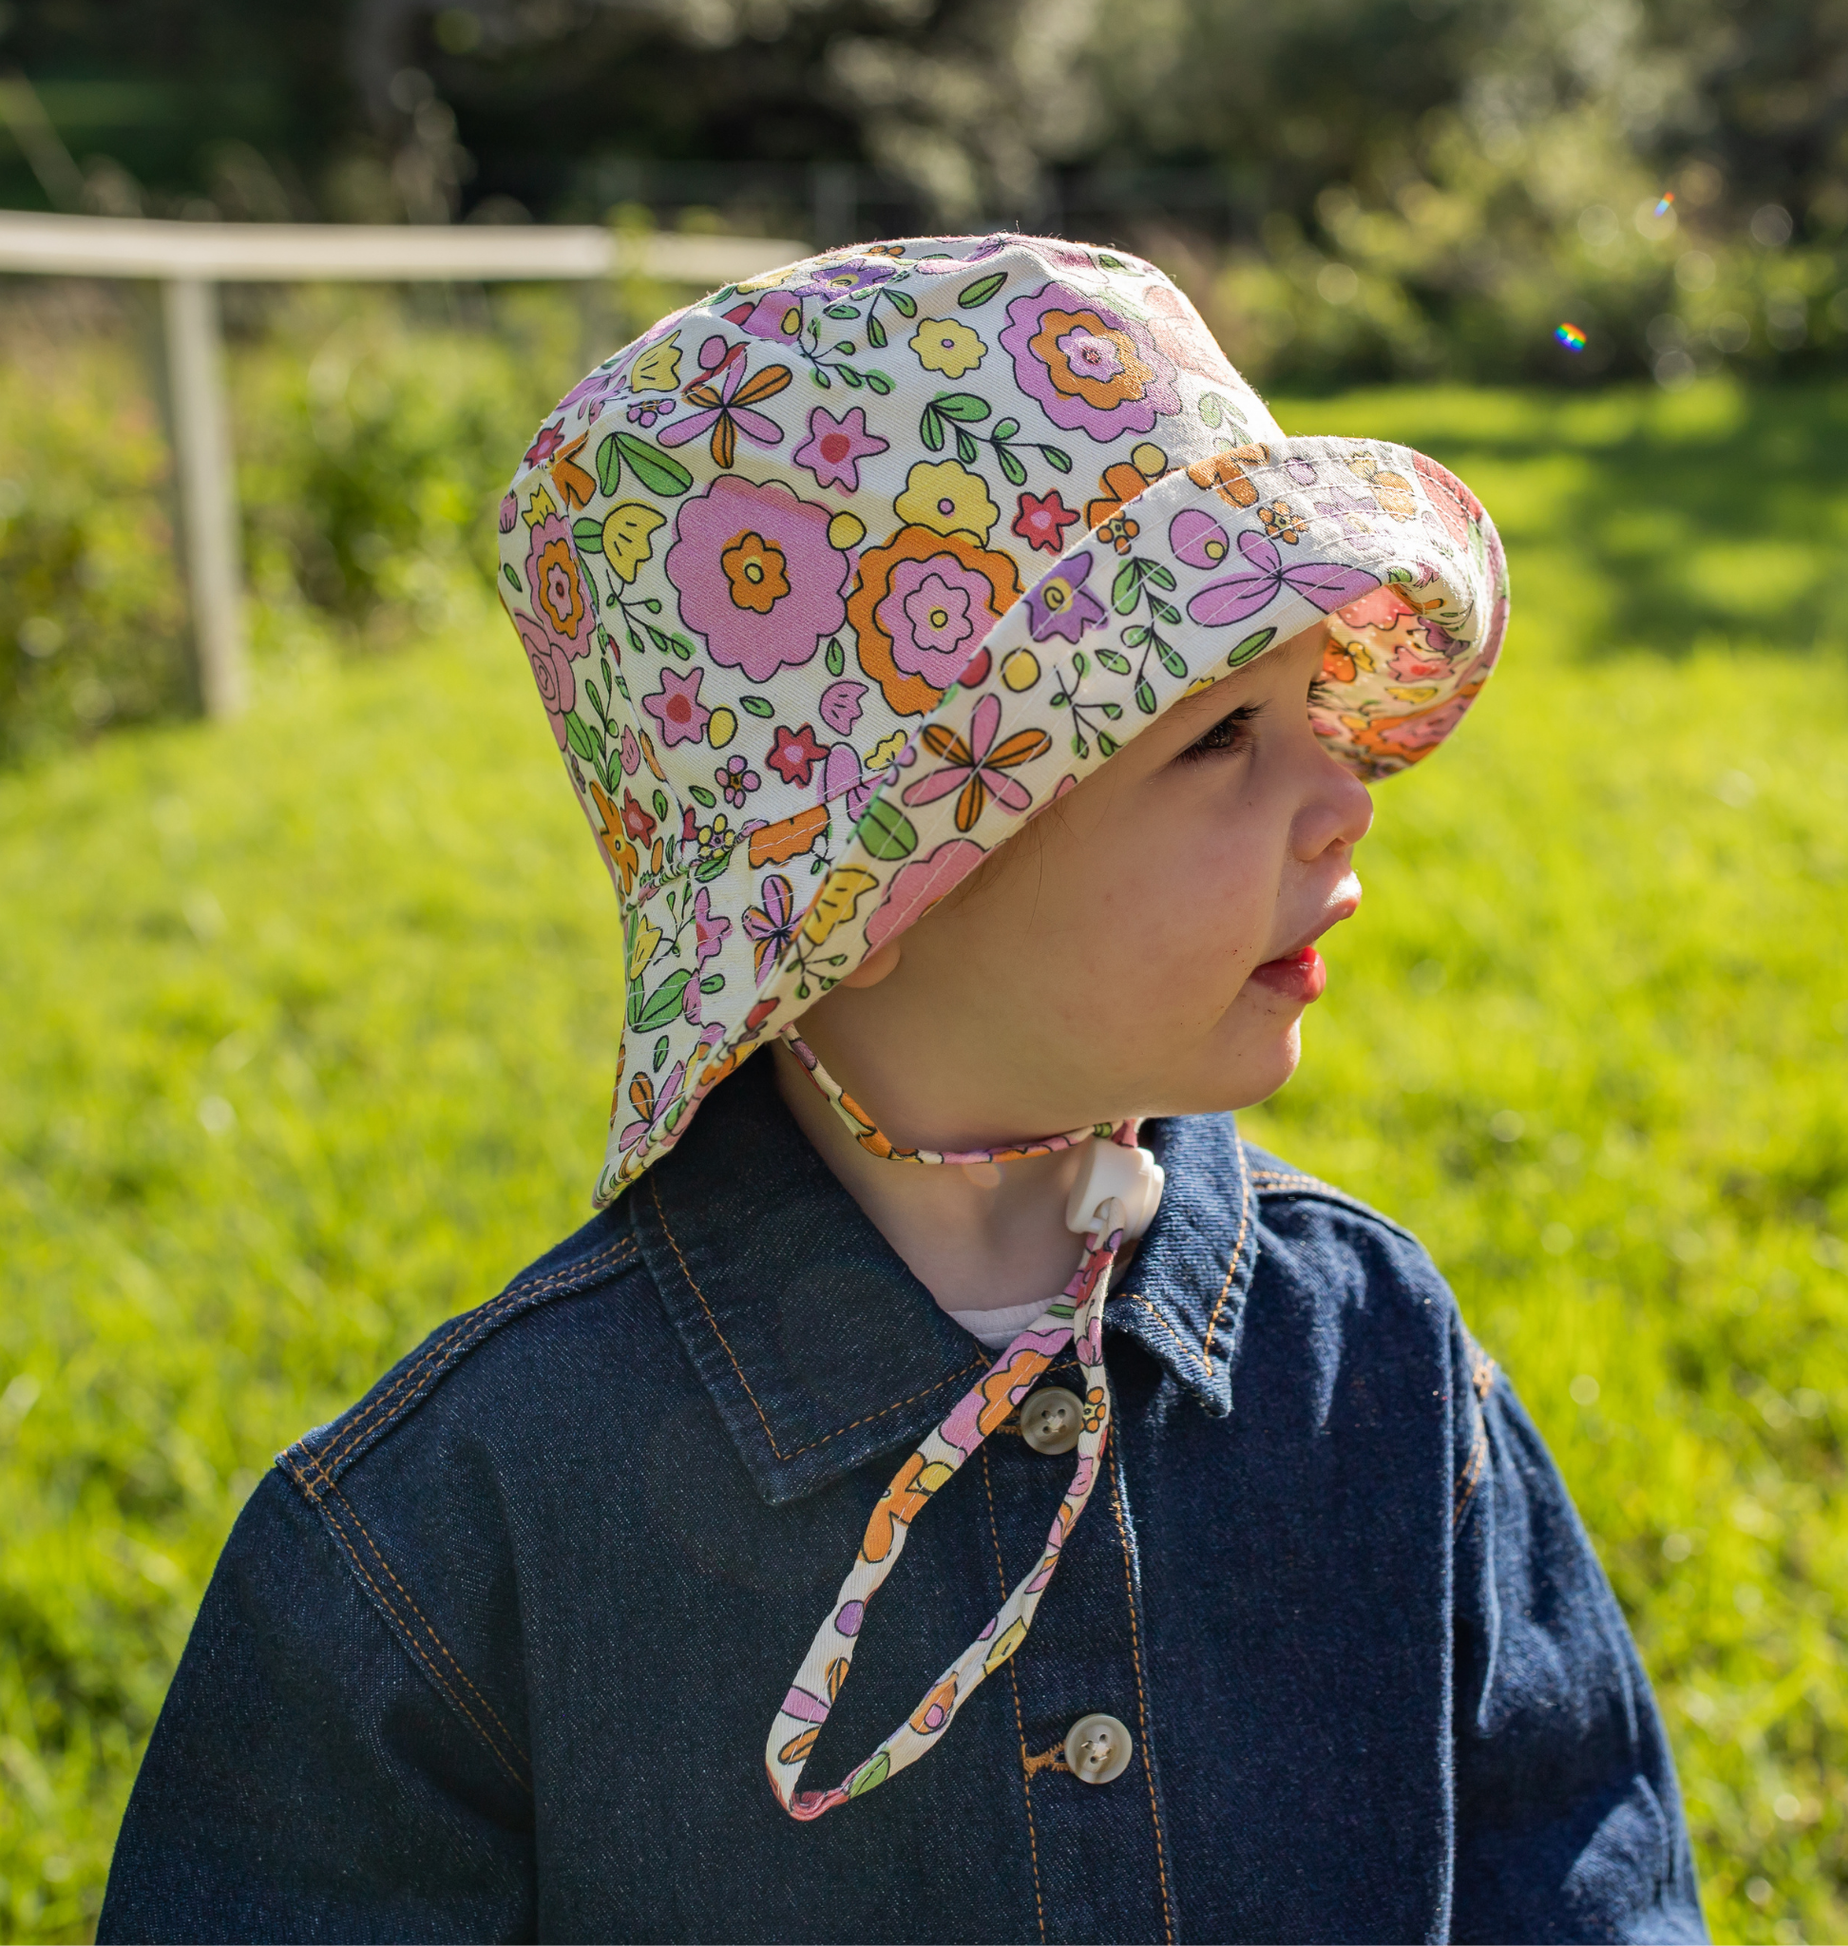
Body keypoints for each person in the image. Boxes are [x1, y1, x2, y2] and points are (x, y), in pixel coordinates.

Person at [100, 234, 1705, 1944]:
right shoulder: (457, 1535)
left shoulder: (1373, 1362)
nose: (1345, 795)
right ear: (864, 901)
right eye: (1218, 739)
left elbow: (1580, 1883)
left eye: (1309, 703)